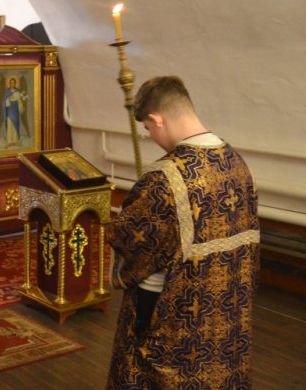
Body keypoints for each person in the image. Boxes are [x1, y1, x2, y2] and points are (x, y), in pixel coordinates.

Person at [106, 76, 260, 388]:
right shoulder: (236, 163)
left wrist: (120, 221)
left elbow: (134, 247)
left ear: (156, 119)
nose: (151, 137)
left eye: (148, 129)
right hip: (227, 321)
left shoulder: (164, 178)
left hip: (175, 324)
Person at [2, 76, 27, 146]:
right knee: (10, 125)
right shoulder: (7, 92)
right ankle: (10, 141)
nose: (12, 84)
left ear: (15, 84)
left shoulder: (17, 92)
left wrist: (22, 107)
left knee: (15, 125)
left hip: (15, 111)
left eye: (13, 83)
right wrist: (8, 99)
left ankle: (15, 141)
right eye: (11, 83)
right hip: (9, 111)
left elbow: (19, 101)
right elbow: (4, 102)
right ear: (9, 84)